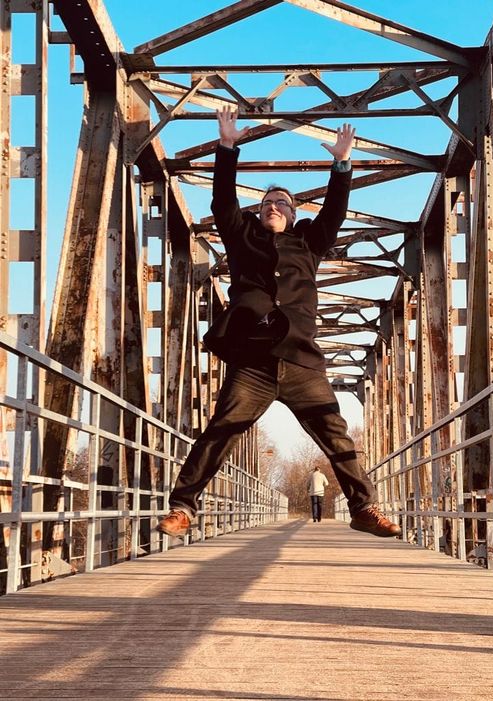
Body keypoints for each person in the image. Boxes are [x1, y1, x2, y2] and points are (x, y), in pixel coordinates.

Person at [157, 106, 401, 539]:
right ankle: (182, 508)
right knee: (221, 431)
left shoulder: (309, 242)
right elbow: (223, 202)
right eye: (267, 203)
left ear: (292, 213)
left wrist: (342, 165)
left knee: (336, 435)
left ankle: (365, 509)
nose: (273, 206)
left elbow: (334, 213)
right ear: (259, 212)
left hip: (301, 360)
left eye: (281, 203)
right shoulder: (242, 238)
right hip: (253, 360)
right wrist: (227, 147)